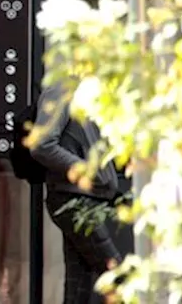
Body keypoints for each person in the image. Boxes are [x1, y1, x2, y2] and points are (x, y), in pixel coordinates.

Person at [31, 80, 125, 304]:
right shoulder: (61, 91)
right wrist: (85, 170)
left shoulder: (91, 94)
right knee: (118, 277)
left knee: (79, 288)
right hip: (72, 200)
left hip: (88, 199)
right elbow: (41, 145)